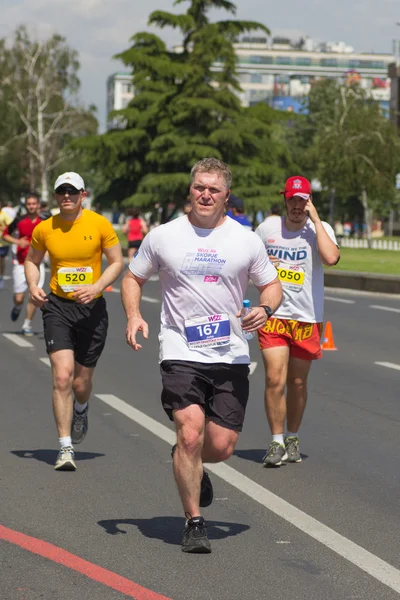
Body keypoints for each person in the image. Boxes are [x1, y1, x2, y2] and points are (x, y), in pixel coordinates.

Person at [122, 158, 282, 553]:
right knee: (191, 431)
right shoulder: (164, 236)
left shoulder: (245, 240)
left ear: (226, 195)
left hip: (229, 353)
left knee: (222, 445)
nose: (205, 194)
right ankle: (194, 521)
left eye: (213, 188)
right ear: (189, 191)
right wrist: (134, 315)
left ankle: (187, 459)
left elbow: (272, 285)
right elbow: (133, 276)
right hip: (180, 348)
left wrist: (266, 308)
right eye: (199, 187)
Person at [24, 172, 124, 471]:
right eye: (61, 191)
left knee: (81, 383)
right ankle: (65, 448)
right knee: (62, 377)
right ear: (55, 196)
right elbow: (32, 260)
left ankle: (81, 408)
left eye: (72, 191)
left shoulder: (99, 224)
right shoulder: (45, 229)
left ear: (83, 194)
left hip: (91, 310)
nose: (66, 196)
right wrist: (33, 286)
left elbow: (117, 261)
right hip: (57, 307)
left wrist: (95, 287)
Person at [255, 176, 340, 467]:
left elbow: (331, 258)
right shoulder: (267, 228)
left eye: (302, 200)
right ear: (284, 199)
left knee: (298, 382)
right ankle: (276, 442)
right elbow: (249, 262)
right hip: (273, 316)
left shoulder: (319, 230)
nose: (296, 205)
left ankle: (292, 436)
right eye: (292, 199)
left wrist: (316, 220)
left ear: (309, 201)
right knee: (274, 378)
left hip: (306, 318)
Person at [2, 193, 45, 335]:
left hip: (38, 264)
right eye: (29, 204)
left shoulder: (45, 221)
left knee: (35, 294)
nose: (31, 206)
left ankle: (27, 324)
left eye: (34, 204)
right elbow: (5, 235)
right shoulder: (19, 220)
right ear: (26, 205)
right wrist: (17, 241)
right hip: (21, 263)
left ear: (38, 205)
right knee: (19, 298)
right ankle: (17, 307)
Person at [0, 200, 13, 289]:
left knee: (1, 261)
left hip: (3, 243)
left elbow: (11, 226)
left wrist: (2, 227)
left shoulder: (4, 215)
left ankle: (1, 277)